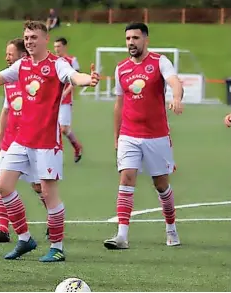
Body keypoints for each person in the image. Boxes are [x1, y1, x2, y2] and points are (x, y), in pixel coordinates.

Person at [0, 20, 99, 262]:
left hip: (47, 142)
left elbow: (73, 76)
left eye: (34, 37)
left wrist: (87, 80)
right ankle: (25, 238)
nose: (29, 41)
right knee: (3, 186)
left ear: (45, 39)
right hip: (22, 139)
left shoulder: (56, 64)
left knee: (49, 194)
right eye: (26, 38)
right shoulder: (22, 65)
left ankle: (57, 247)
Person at [104, 22, 183, 250]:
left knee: (161, 185)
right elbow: (119, 105)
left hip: (157, 136)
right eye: (128, 38)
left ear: (146, 40)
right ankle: (121, 235)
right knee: (127, 177)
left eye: (136, 38)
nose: (131, 42)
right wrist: (117, 136)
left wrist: (176, 97)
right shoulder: (121, 68)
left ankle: (171, 227)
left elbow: (175, 82)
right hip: (129, 134)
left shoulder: (160, 62)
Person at [0, 38, 48, 244]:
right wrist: (0, 138)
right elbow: (6, 110)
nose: (6, 58)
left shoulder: (35, 78)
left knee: (39, 187)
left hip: (33, 140)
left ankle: (53, 220)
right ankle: (3, 229)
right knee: (1, 183)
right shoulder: (8, 80)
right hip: (11, 141)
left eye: (10, 54)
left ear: (22, 56)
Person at [53, 37, 83, 162]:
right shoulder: (53, 61)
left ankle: (77, 146)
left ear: (64, 47)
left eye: (58, 47)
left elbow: (76, 79)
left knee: (64, 128)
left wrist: (65, 92)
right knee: (52, 127)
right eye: (55, 47)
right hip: (52, 99)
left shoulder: (72, 60)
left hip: (65, 100)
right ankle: (55, 153)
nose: (56, 49)